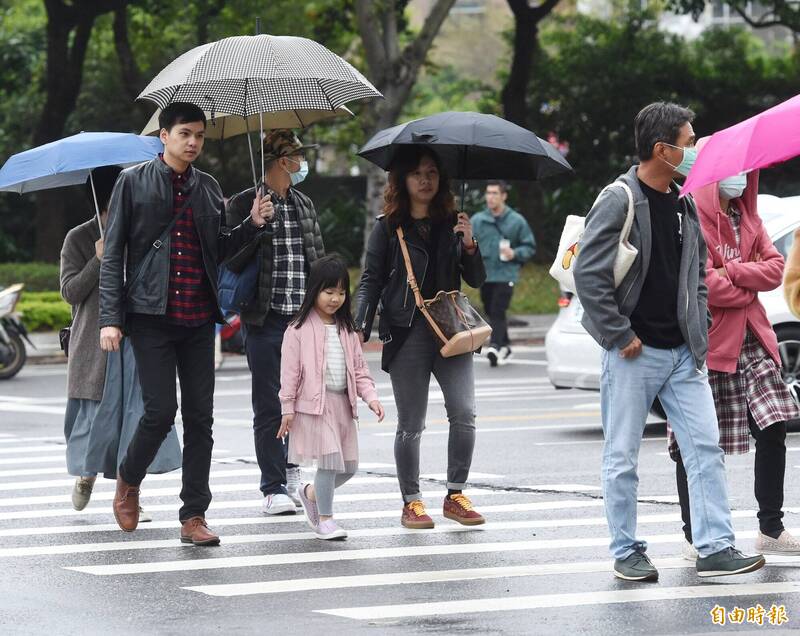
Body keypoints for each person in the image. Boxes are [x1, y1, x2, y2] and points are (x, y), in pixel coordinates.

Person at [573, 102, 764, 581]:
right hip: (634, 352)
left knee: (705, 448)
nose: (697, 149)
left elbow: (695, 277)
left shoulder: (682, 201)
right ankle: (626, 551)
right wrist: (620, 335)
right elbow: (589, 275)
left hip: (682, 354)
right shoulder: (619, 199)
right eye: (689, 141)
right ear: (663, 149)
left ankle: (716, 547)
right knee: (622, 456)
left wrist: (696, 336)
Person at [99, 102, 269, 544]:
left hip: (197, 318)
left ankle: (194, 515)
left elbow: (222, 249)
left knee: (201, 419)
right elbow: (114, 254)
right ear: (164, 137)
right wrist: (110, 319)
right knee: (160, 411)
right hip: (149, 317)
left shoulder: (209, 188)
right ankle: (129, 479)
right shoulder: (132, 182)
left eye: (199, 136)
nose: (193, 142)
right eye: (185, 134)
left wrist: (251, 224)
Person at [667, 141, 800, 558]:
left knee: (775, 425)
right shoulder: (694, 218)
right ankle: (693, 534)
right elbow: (703, 284)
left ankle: (771, 528)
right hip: (711, 345)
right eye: (729, 168)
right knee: (693, 442)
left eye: (744, 169)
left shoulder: (749, 216)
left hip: (755, 339)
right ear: (710, 173)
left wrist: (735, 273)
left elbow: (776, 269)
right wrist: (745, 281)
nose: (738, 177)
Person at [355, 146, 487, 529]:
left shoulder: (453, 223)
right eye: (417, 174)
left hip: (451, 331)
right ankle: (411, 501)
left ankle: (455, 493)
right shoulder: (387, 227)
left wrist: (469, 244)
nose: (425, 180)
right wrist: (361, 322)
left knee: (464, 413)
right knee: (411, 423)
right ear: (402, 181)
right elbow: (371, 280)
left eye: (431, 172)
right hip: (406, 330)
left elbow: (476, 279)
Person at [61, 166, 181, 518]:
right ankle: (86, 474)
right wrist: (98, 259)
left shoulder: (139, 232)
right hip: (95, 346)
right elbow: (70, 291)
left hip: (137, 340)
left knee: (135, 418)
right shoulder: (78, 238)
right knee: (94, 419)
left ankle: (128, 494)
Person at [225, 130, 325, 516]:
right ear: (283, 161)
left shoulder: (304, 204)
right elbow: (228, 259)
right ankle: (272, 486)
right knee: (270, 403)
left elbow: (316, 260)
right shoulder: (242, 203)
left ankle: (291, 467)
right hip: (264, 319)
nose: (302, 163)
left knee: (300, 402)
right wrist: (253, 224)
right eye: (298, 156)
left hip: (302, 321)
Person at [277, 255, 384, 540]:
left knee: (349, 467)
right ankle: (325, 519)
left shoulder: (348, 330)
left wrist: (371, 397)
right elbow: (289, 375)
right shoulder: (297, 331)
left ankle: (310, 493)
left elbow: (360, 371)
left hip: (342, 406)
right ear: (314, 290)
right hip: (315, 407)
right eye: (328, 291)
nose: (335, 298)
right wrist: (287, 409)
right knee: (329, 463)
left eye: (340, 292)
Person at [471, 181, 536, 365]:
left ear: (503, 196)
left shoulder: (516, 221)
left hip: (507, 274)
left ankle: (495, 347)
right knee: (491, 310)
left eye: (494, 193)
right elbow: (469, 245)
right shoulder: (477, 220)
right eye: (488, 193)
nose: (490, 197)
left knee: (498, 310)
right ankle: (506, 346)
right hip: (485, 274)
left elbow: (529, 246)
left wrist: (515, 253)